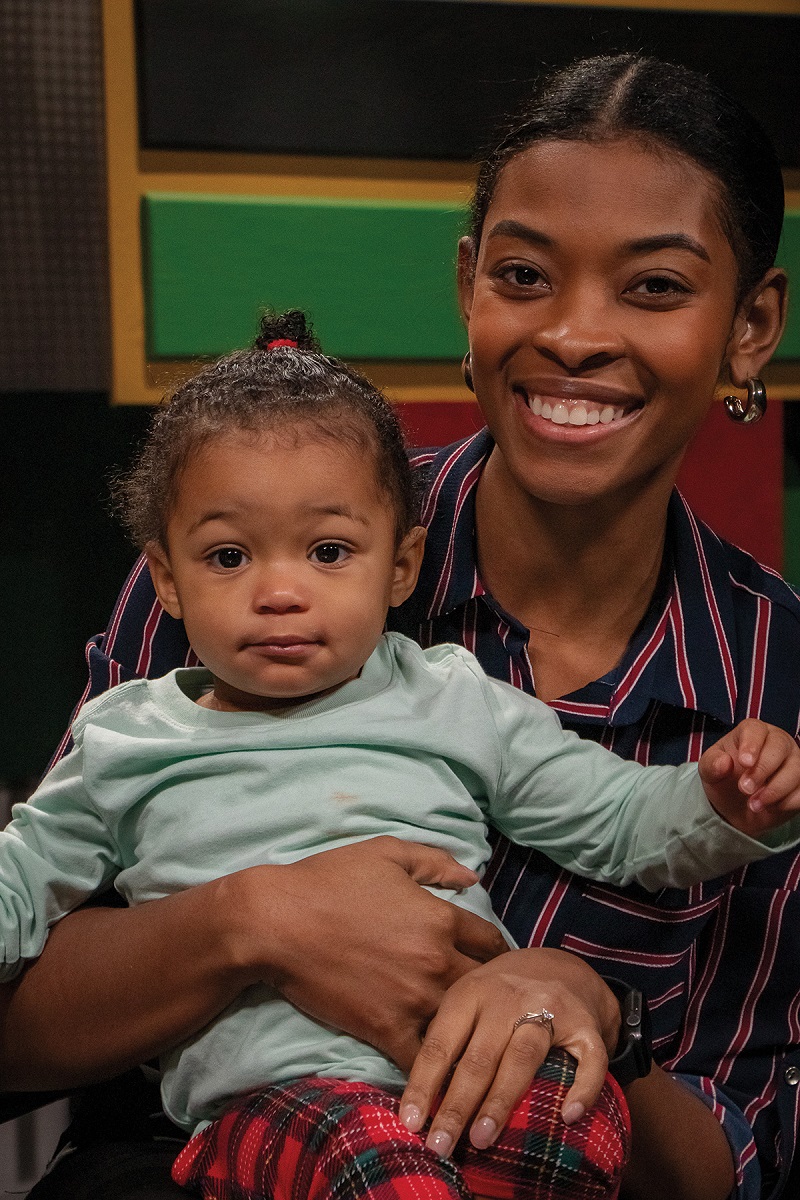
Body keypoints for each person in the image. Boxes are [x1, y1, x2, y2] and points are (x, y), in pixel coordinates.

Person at [1, 52, 797, 1200]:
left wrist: (596, 1023)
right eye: (524, 274)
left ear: (749, 325)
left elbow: (745, 1150)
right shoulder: (247, 544)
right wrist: (256, 919)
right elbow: (18, 1028)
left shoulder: (770, 680)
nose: (573, 334)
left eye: (654, 287)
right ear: (468, 282)